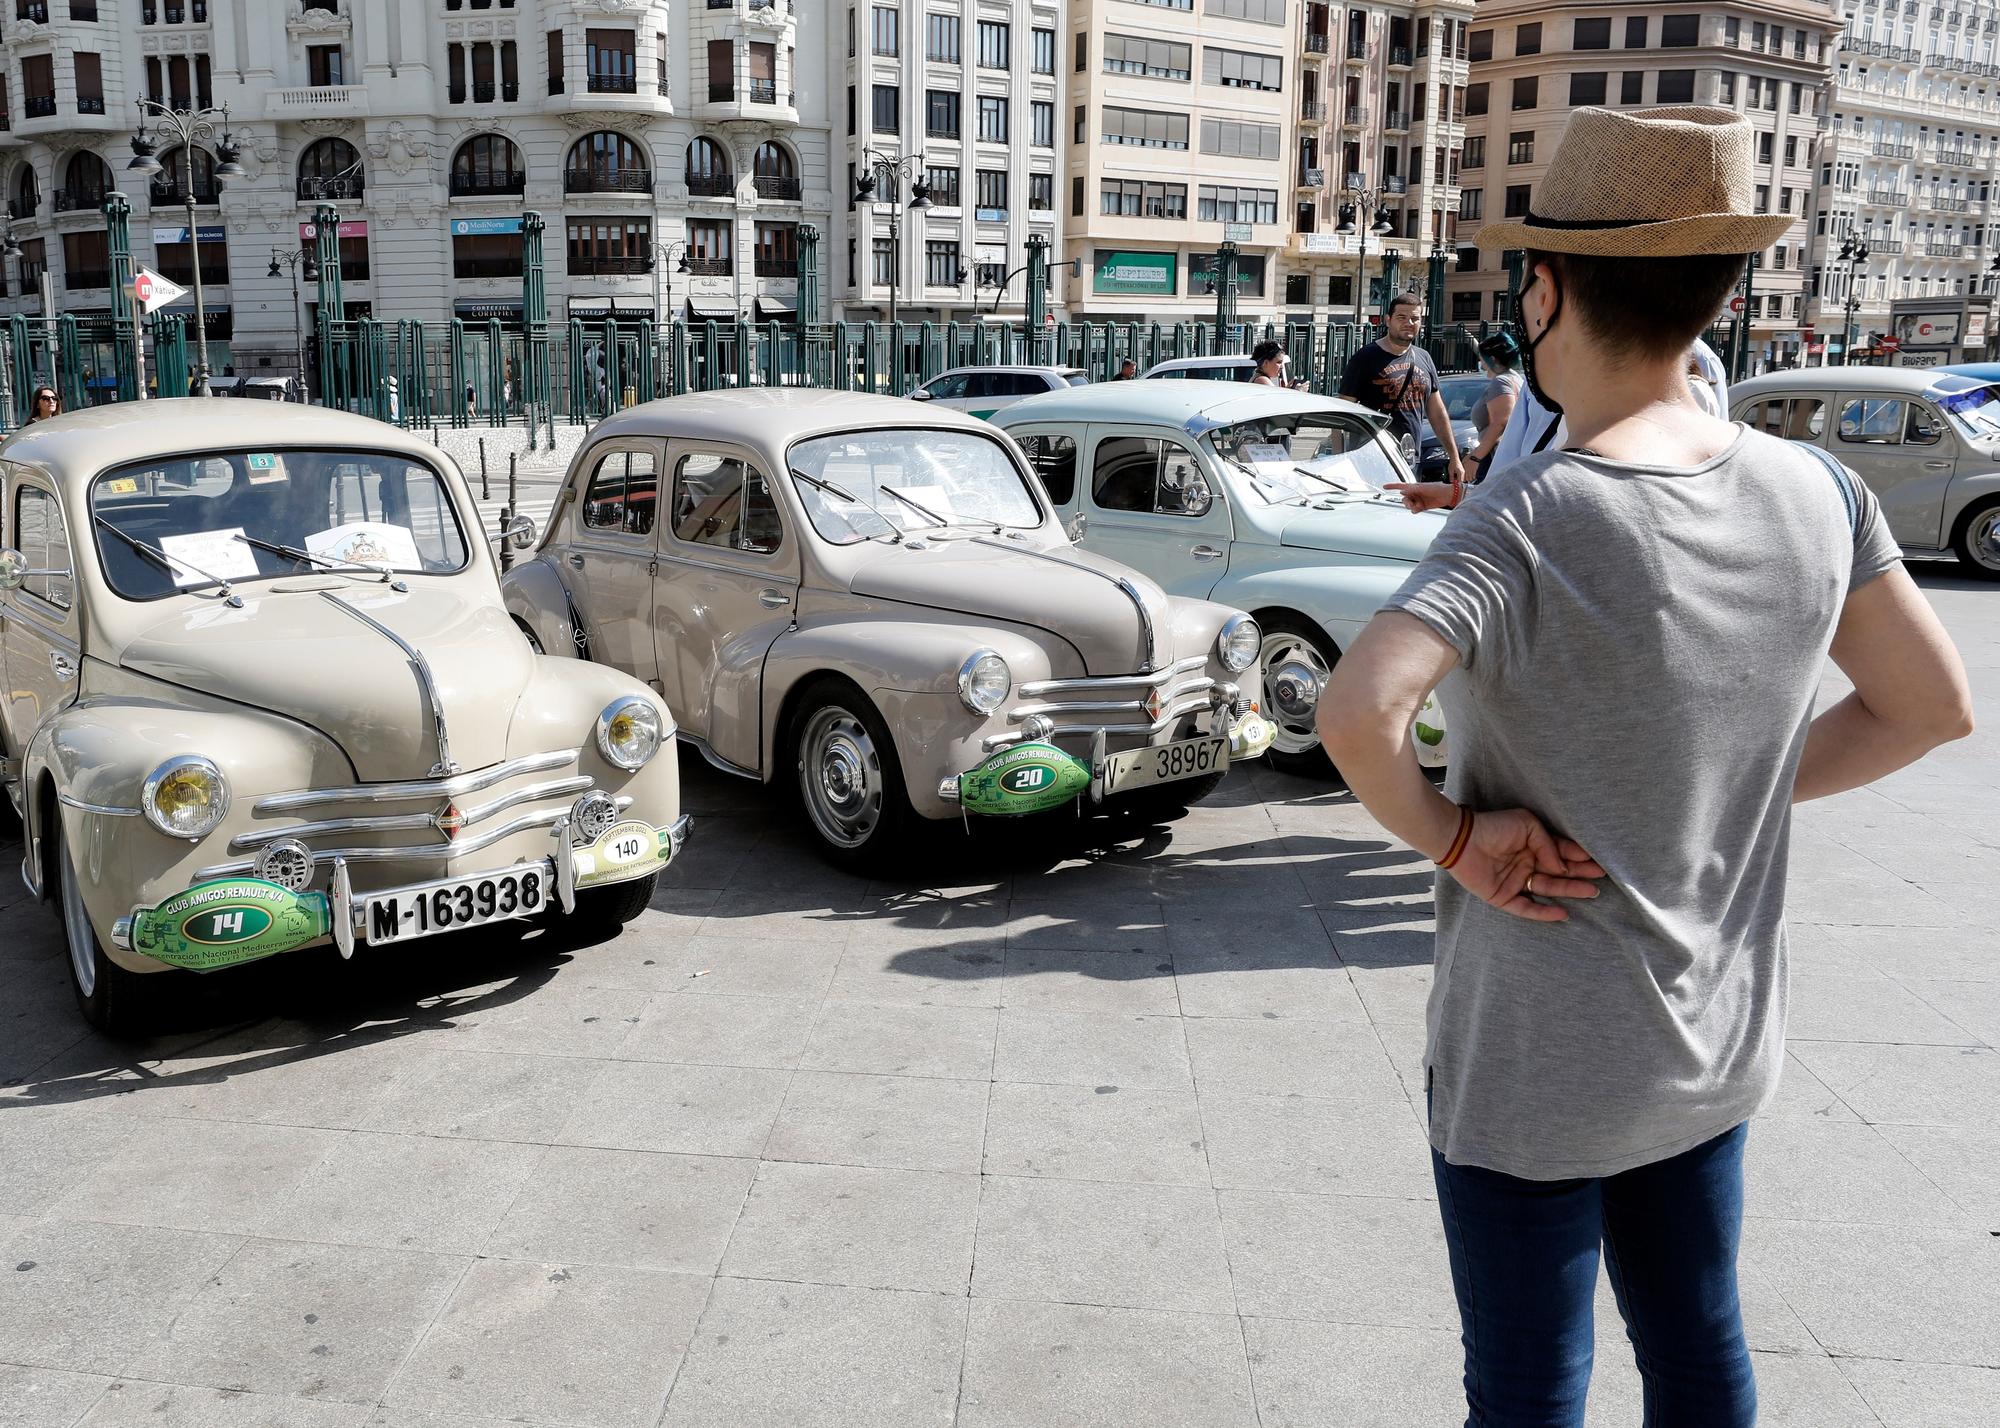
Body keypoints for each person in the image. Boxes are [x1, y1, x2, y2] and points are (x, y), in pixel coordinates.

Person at [1314, 106, 1973, 1428]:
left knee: (1528, 1392)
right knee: (1700, 1351)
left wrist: (1455, 842)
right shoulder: (1817, 491)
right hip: (1716, 1043)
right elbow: (1928, 710)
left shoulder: (1536, 507)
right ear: (1722, 293)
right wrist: (1725, 776)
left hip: (1539, 1065)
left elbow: (1354, 713)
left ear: (1545, 289)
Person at [1340, 292, 1466, 491]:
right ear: (1388, 320)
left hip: (1409, 458)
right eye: (1402, 317)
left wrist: (1454, 458)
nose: (1409, 322)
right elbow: (1343, 411)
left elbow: (1437, 412)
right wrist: (1343, 459)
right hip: (1372, 457)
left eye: (1415, 318)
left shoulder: (1424, 358)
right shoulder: (1365, 357)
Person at [1464, 331, 1523, 481]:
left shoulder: (1501, 382)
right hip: (1503, 456)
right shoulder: (1516, 379)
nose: (1480, 362)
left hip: (1493, 459)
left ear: (1492, 359)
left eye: (1482, 358)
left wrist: (1476, 457)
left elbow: (1500, 423)